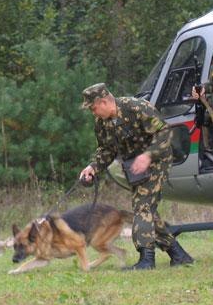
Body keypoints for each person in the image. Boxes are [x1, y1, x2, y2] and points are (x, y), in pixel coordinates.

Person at [78, 83, 194, 270]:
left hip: (157, 159)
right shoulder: (102, 123)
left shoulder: (137, 108)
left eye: (93, 108)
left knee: (143, 207)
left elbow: (164, 132)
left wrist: (147, 155)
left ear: (104, 101)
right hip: (134, 167)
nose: (93, 113)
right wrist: (93, 167)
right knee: (147, 212)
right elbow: (106, 150)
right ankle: (178, 255)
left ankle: (146, 259)